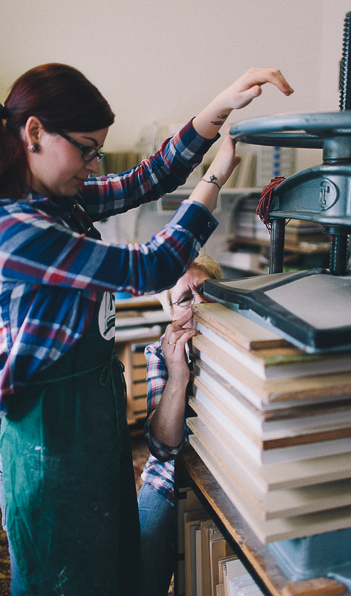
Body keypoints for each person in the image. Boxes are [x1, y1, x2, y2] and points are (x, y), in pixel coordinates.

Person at [0, 63, 293, 595]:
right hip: (51, 447)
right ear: (35, 133)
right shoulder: (15, 229)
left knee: (109, 571)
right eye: (87, 149)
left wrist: (220, 105)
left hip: (91, 428)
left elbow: (145, 179)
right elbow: (150, 266)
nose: (92, 166)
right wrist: (215, 177)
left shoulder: (62, 200)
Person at [138, 252, 222, 596]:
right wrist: (178, 377)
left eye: (206, 289)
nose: (199, 302)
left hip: (224, 487)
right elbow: (161, 447)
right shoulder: (160, 352)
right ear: (172, 313)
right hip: (168, 481)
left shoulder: (244, 345)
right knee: (140, 580)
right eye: (185, 299)